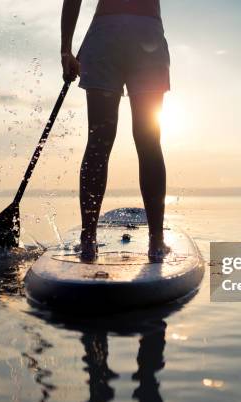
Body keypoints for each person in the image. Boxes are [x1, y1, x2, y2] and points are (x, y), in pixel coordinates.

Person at [60, 0, 171, 261]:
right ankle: (156, 242)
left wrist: (66, 50)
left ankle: (88, 240)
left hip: (105, 35)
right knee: (149, 142)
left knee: (98, 142)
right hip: (146, 33)